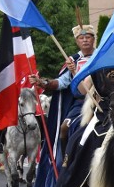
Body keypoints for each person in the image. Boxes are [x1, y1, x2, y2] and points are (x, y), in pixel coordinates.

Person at [28, 24, 96, 154]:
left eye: (88, 37)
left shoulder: (101, 56)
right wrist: (41, 82)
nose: (85, 40)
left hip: (102, 100)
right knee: (64, 128)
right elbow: (60, 83)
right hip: (81, 103)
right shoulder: (73, 62)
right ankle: (66, 160)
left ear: (93, 39)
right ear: (77, 41)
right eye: (81, 38)